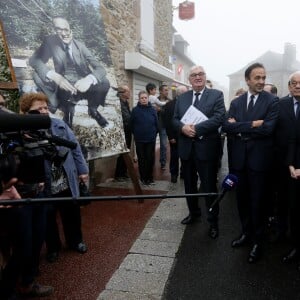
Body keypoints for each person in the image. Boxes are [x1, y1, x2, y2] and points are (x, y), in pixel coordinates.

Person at [19, 92, 89, 263]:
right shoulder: (23, 131)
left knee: (72, 213)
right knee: (48, 217)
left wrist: (82, 170)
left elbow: (76, 148)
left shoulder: (59, 124)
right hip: (45, 182)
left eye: (45, 107)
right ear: (27, 112)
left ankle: (76, 241)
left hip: (65, 178)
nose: (44, 111)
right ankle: (53, 248)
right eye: (38, 108)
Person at [222, 62, 278, 263]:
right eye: (257, 78)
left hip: (260, 162)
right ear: (247, 80)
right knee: (242, 200)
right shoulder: (236, 103)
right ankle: (246, 233)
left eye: (263, 78)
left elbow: (268, 130)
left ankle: (258, 241)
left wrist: (239, 127)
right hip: (239, 161)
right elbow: (226, 128)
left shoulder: (272, 101)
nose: (261, 81)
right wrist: (252, 125)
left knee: (258, 203)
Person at [173, 65, 226, 239]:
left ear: (205, 76)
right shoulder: (182, 98)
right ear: (189, 79)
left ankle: (213, 221)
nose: (198, 77)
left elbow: (219, 118)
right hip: (187, 149)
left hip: (206, 150)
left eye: (201, 74)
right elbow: (174, 119)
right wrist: (182, 128)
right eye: (194, 75)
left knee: (209, 186)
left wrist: (195, 129)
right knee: (189, 185)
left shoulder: (216, 95)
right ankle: (193, 213)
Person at [29, 16, 110, 128]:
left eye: (66, 29)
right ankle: (56, 104)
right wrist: (54, 76)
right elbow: (34, 60)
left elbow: (100, 68)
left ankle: (93, 109)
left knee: (105, 82)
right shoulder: (50, 42)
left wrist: (88, 79)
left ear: (71, 30)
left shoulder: (80, 46)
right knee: (37, 74)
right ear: (54, 30)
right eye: (59, 29)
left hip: (81, 83)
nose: (63, 33)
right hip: (64, 83)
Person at [278, 71, 300, 266]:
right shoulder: (281, 104)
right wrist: (291, 164)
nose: (298, 86)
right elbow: (292, 137)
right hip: (288, 164)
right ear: (289, 85)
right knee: (288, 203)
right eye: (294, 83)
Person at [130, 91, 158, 185]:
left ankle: (150, 177)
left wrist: (154, 133)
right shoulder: (135, 110)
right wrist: (137, 133)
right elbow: (131, 124)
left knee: (150, 159)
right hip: (140, 139)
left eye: (145, 97)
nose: (144, 99)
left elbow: (157, 123)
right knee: (141, 159)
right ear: (139, 99)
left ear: (148, 98)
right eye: (142, 98)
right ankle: (143, 178)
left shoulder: (153, 110)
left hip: (151, 139)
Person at [161, 85, 188, 183]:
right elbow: (167, 122)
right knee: (174, 156)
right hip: (174, 136)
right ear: (180, 93)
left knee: (185, 155)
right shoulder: (169, 105)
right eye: (186, 92)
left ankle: (184, 173)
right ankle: (174, 174)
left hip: (186, 135)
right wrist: (170, 136)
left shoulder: (189, 104)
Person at [114, 85, 132, 181]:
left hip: (128, 131)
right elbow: (127, 118)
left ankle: (124, 173)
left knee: (126, 152)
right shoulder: (119, 103)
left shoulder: (126, 103)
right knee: (122, 154)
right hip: (123, 132)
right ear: (122, 93)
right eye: (128, 91)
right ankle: (119, 175)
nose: (130, 93)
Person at [157, 84, 170, 170]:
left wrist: (160, 110)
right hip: (153, 126)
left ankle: (162, 163)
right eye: (165, 90)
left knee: (163, 145)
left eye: (167, 90)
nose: (167, 92)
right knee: (150, 146)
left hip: (163, 126)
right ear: (160, 91)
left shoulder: (169, 101)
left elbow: (169, 114)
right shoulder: (154, 100)